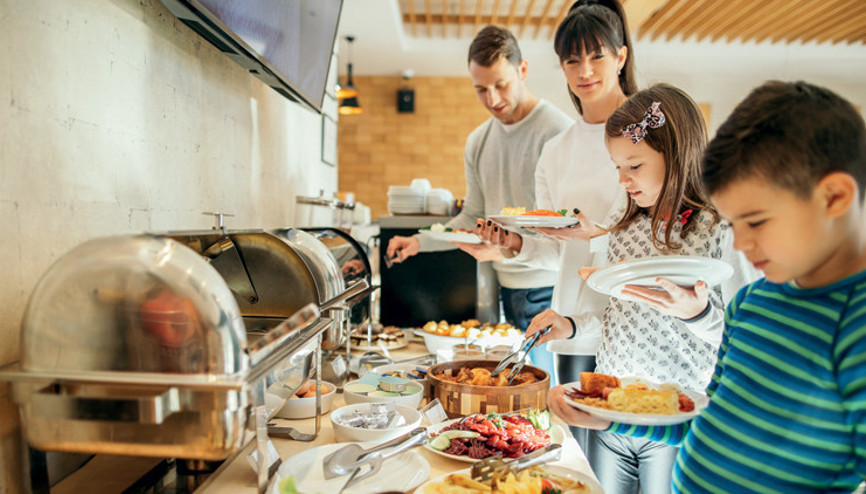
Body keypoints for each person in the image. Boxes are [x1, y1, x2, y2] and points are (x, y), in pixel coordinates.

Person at [550, 80, 866, 493]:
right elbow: (710, 421)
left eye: (754, 221)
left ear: (834, 197)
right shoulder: (751, 306)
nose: (741, 242)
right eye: (735, 223)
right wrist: (613, 418)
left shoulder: (851, 323)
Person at [526, 83, 758, 494]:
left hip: (676, 416)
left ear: (677, 152)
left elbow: (748, 339)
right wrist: (572, 326)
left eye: (634, 165)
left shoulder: (722, 226)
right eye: (617, 166)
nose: (623, 180)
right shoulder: (624, 222)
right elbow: (621, 316)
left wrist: (698, 315)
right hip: (610, 410)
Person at [473, 0, 636, 453]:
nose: (585, 70)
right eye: (571, 60)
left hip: (632, 325)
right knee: (580, 462)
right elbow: (558, 252)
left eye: (596, 55)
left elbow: (659, 240)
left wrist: (598, 236)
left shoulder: (646, 133)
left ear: (620, 56)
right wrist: (515, 244)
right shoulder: (557, 150)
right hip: (570, 327)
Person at [386, 25, 572, 373]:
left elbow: (565, 228)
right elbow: (472, 216)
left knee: (549, 395)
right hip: (507, 288)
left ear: (523, 70)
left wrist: (503, 249)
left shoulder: (559, 132)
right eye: (481, 89)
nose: (493, 99)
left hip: (551, 290)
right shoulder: (478, 141)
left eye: (501, 85)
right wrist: (419, 241)